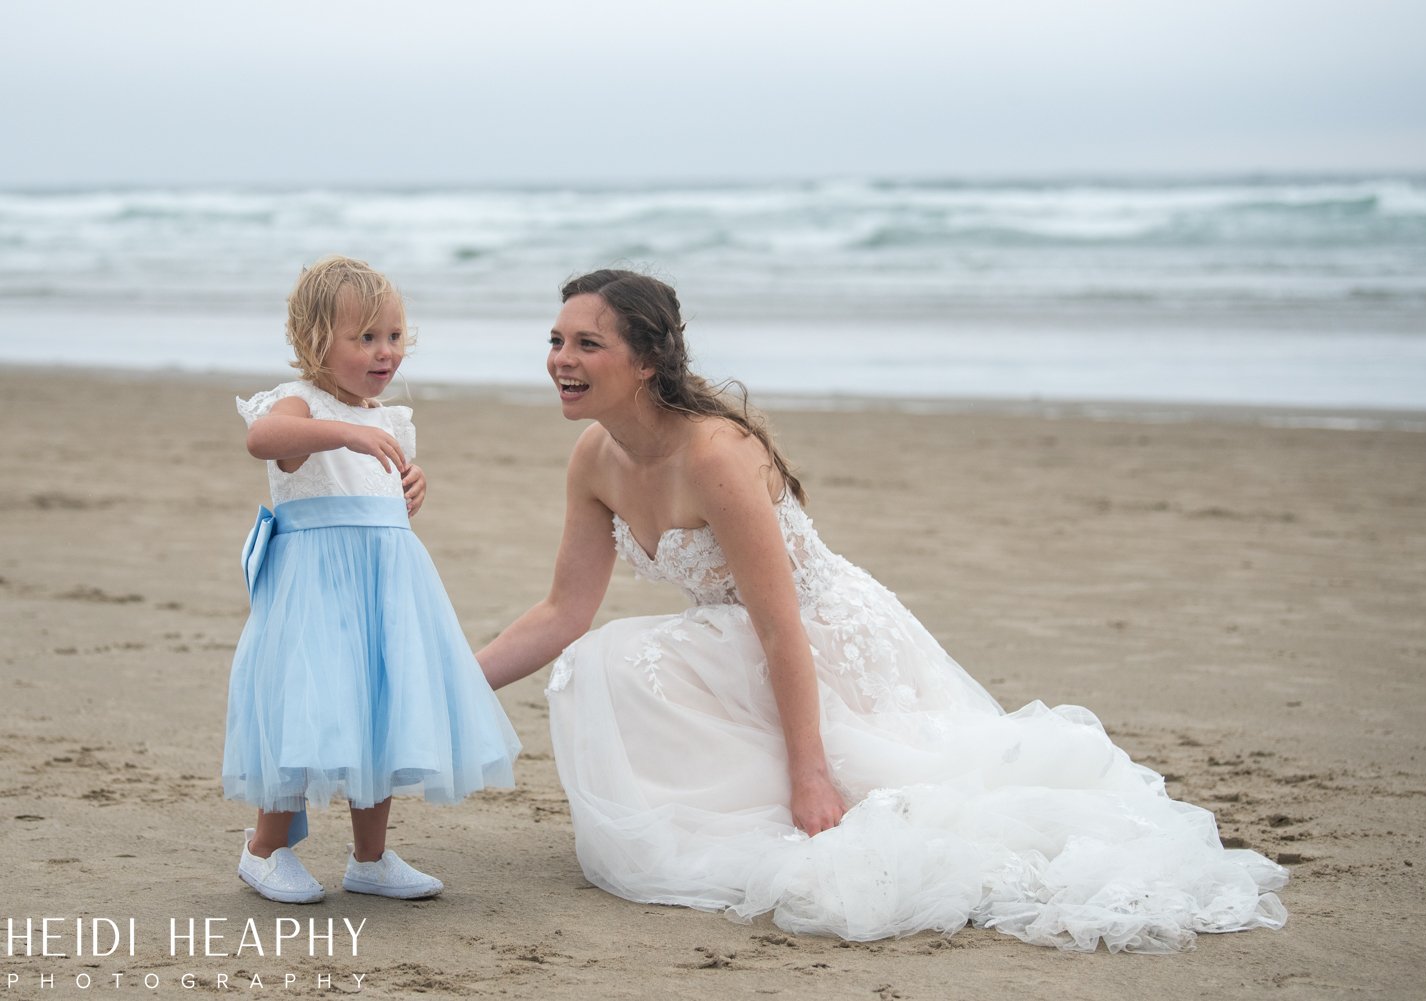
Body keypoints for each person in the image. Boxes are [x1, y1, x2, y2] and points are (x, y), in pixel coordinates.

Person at [476, 269, 1287, 951]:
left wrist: (812, 776)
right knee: (601, 659)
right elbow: (560, 612)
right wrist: (451, 684)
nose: (561, 359)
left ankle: (802, 778)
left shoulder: (715, 453)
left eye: (587, 343)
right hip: (730, 634)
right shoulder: (596, 456)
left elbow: (780, 624)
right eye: (555, 340)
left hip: (821, 637)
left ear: (648, 360)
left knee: (649, 666)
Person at [224, 255, 521, 905]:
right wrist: (345, 435)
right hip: (316, 588)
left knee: (377, 707)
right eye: (365, 338)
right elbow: (264, 438)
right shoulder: (300, 404)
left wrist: (411, 484)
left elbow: (382, 486)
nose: (384, 352)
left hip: (384, 586)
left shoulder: (389, 417)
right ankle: (265, 847)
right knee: (309, 708)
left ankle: (371, 855)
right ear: (315, 341)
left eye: (393, 337)